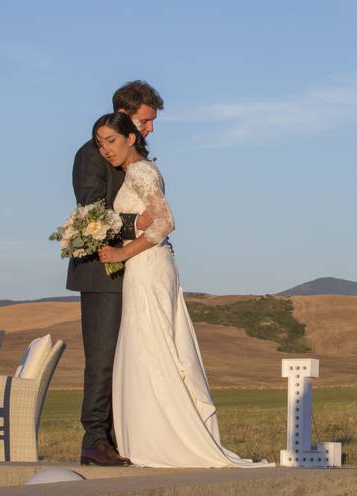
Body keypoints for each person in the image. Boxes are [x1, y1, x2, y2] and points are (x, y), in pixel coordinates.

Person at [94, 113, 269, 468]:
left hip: (148, 266)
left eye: (111, 140)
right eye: (100, 144)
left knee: (153, 345)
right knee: (149, 345)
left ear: (130, 137)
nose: (105, 150)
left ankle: (166, 438)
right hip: (145, 268)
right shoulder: (135, 172)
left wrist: (121, 252)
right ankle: (151, 436)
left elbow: (166, 220)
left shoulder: (141, 172)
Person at [66, 81, 164, 467]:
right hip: (101, 272)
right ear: (125, 116)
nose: (151, 128)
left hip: (137, 270)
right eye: (146, 120)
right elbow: (90, 212)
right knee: (103, 356)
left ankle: (126, 434)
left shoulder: (137, 157)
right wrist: (135, 225)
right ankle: (94, 438)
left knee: (132, 356)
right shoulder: (90, 156)